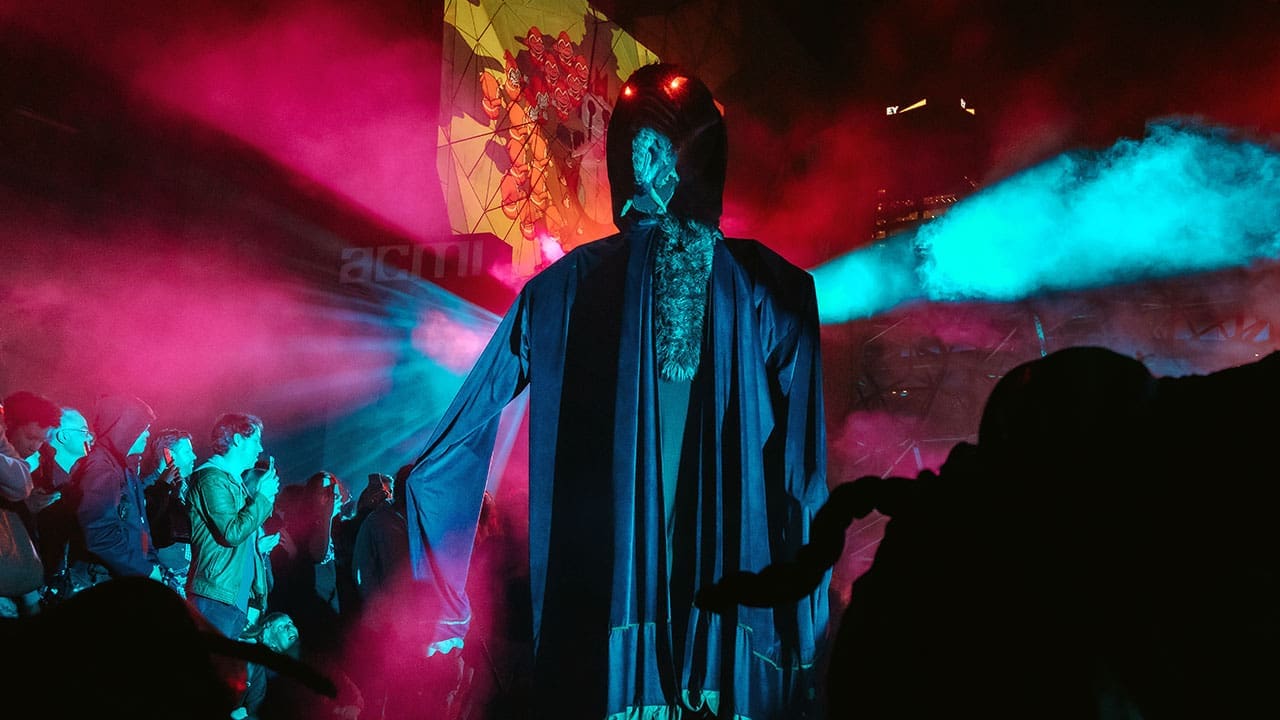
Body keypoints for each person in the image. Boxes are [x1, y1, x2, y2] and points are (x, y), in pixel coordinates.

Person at [407, 64, 829, 719]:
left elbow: (446, 452)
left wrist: (444, 609)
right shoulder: (770, 290)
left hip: (591, 646)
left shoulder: (556, 291)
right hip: (725, 653)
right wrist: (806, 645)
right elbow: (801, 483)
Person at [187, 413, 279, 639]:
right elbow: (231, 532)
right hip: (214, 595)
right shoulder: (212, 479)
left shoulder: (233, 482)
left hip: (230, 597)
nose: (260, 449)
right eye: (256, 440)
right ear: (237, 439)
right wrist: (263, 498)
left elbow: (243, 533)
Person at [70, 394, 159, 590]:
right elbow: (100, 533)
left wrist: (150, 562)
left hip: (130, 576)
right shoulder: (100, 469)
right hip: (106, 581)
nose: (147, 435)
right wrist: (143, 569)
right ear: (124, 428)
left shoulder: (125, 469)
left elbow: (140, 526)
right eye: (142, 429)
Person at [32, 406, 94, 603]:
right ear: (64, 437)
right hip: (43, 588)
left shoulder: (83, 479)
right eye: (84, 432)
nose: (90, 438)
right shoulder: (38, 480)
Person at [142, 429, 197, 596]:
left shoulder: (185, 488)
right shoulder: (148, 488)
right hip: (163, 579)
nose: (194, 456)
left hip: (184, 580)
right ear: (168, 454)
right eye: (187, 451)